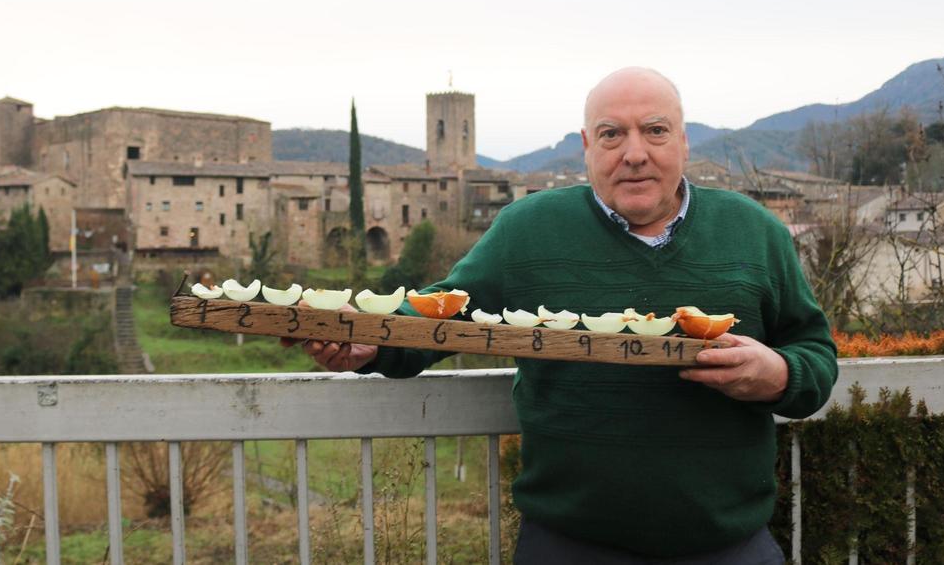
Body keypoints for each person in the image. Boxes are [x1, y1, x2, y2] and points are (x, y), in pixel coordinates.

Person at [283, 67, 838, 563]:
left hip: (729, 547)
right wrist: (371, 343)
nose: (635, 152)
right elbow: (442, 312)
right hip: (567, 545)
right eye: (612, 134)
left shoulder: (754, 232)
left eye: (655, 130)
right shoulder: (528, 230)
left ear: (684, 141)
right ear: (587, 146)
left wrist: (780, 375)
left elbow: (814, 352)